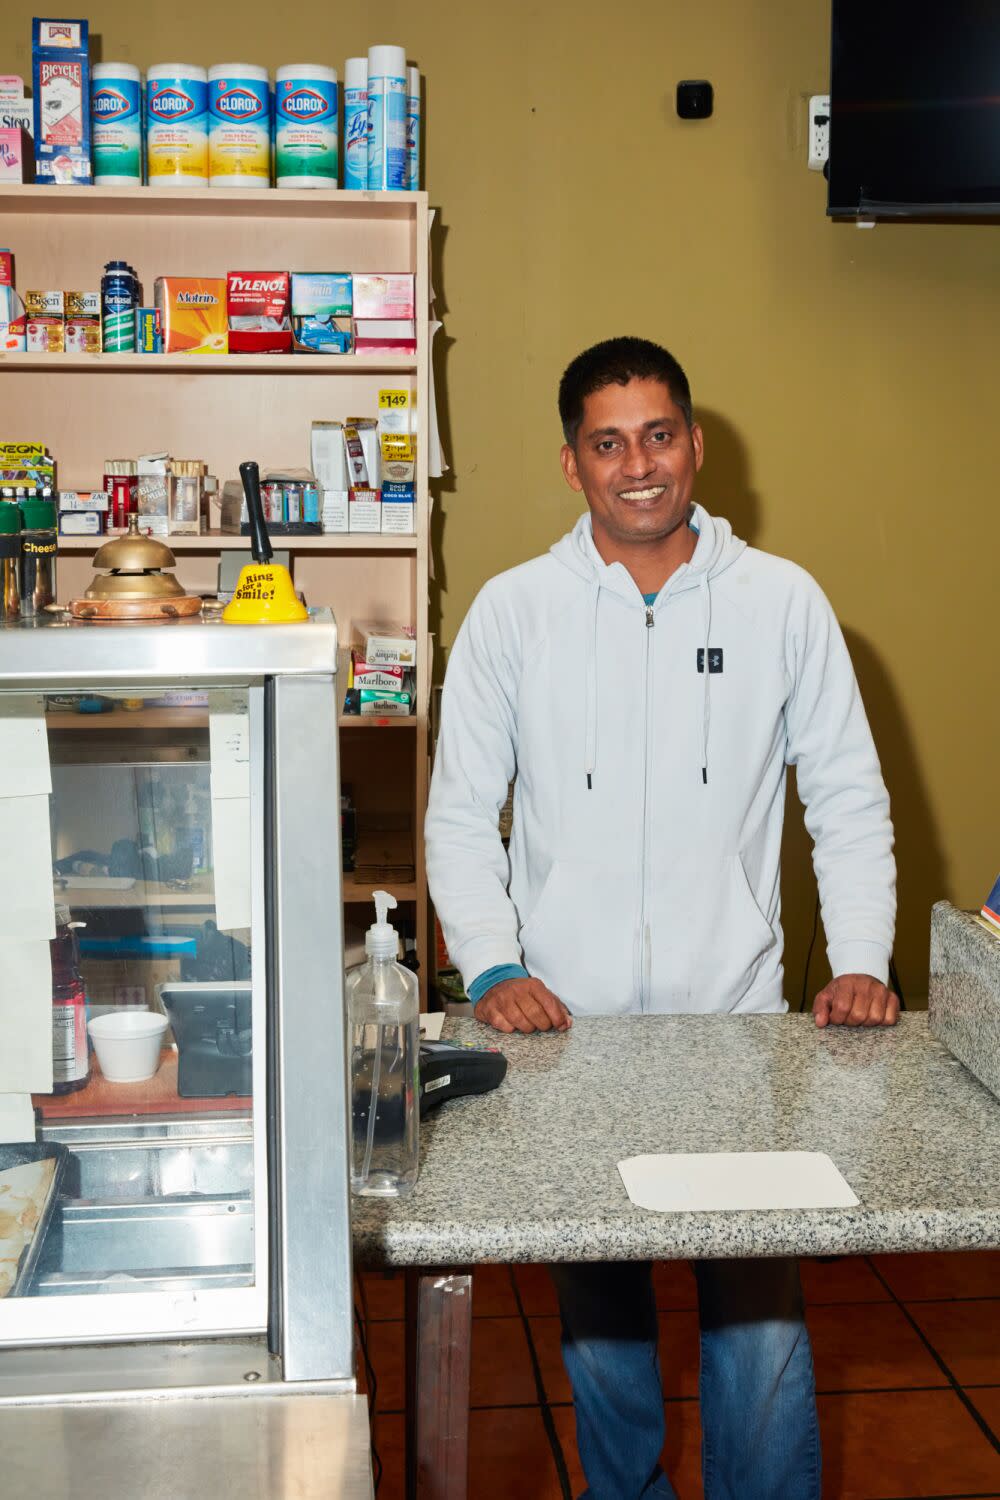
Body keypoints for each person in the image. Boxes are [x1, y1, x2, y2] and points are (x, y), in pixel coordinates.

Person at [425, 337, 897, 1500]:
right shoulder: (513, 613)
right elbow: (456, 818)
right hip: (564, 1033)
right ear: (572, 463)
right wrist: (490, 967)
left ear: (693, 443)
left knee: (760, 1325)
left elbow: (845, 799)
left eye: (659, 434)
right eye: (607, 441)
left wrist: (862, 963)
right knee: (600, 1320)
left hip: (734, 1028)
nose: (638, 464)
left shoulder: (782, 601)